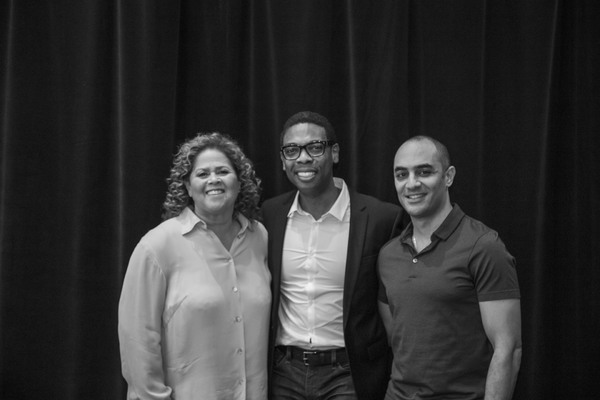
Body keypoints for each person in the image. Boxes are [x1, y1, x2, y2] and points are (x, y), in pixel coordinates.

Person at [261, 111, 405, 400]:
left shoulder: (380, 219)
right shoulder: (269, 215)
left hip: (349, 374)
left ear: (334, 153)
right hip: (283, 373)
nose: (303, 158)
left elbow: (397, 305)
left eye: (315, 147)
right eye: (291, 150)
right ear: (282, 160)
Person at [118, 132, 271, 400]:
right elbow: (138, 341)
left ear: (239, 182)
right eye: (202, 174)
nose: (214, 179)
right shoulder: (157, 245)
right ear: (187, 187)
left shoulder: (259, 238)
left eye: (223, 171)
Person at [378, 135, 522, 400]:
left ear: (448, 176)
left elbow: (508, 350)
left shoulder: (484, 246)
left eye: (424, 172)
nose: (412, 183)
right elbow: (396, 338)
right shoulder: (388, 255)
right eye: (402, 174)